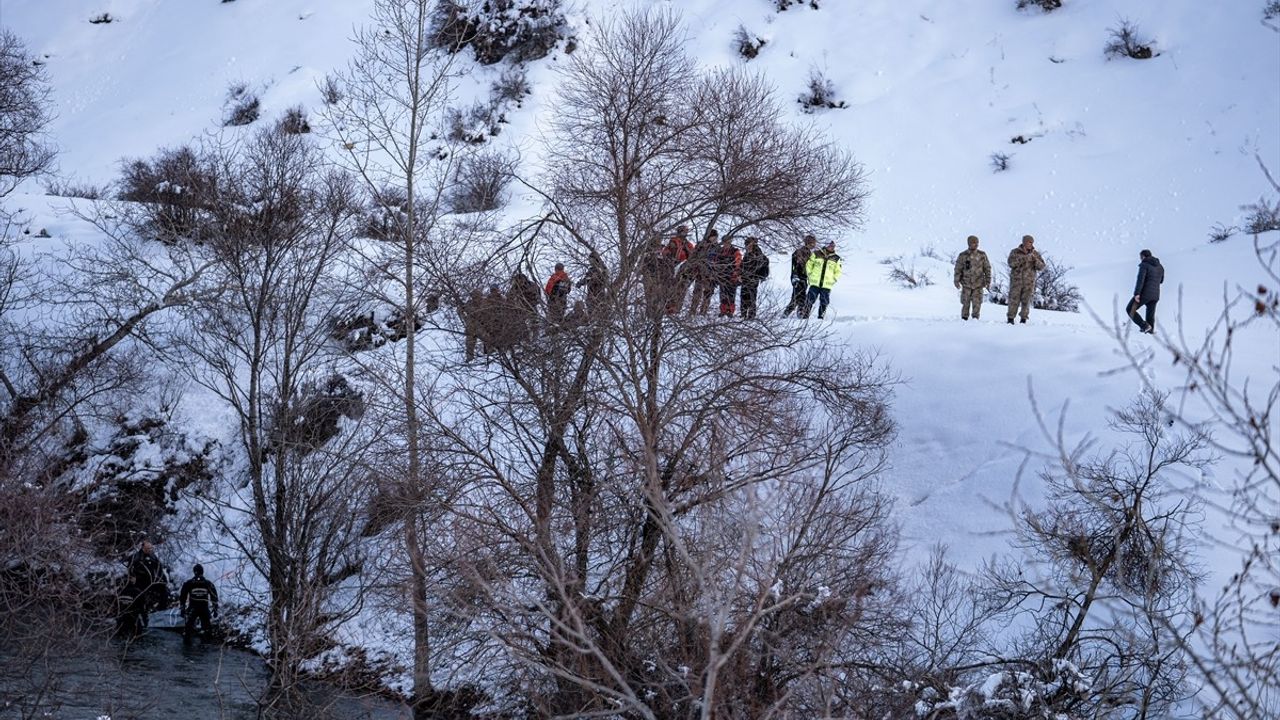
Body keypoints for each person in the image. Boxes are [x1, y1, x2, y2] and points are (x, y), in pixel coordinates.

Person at [1006, 234, 1046, 324]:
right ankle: (1010, 319)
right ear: (1024, 242)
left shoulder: (1035, 254)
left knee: (1026, 301)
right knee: (1013, 300)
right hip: (1016, 282)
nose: (1031, 244)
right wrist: (1023, 259)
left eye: (1032, 242)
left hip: (1029, 283)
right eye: (1029, 242)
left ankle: (1023, 319)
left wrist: (1035, 260)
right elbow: (1011, 263)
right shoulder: (1015, 252)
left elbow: (1042, 266)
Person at [953, 235, 992, 321]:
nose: (976, 244)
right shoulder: (963, 255)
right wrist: (956, 280)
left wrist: (988, 281)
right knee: (965, 303)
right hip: (966, 284)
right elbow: (958, 269)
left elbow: (987, 268)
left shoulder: (982, 255)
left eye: (977, 242)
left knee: (977, 303)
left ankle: (975, 320)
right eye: (974, 242)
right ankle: (964, 319)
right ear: (969, 243)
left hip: (978, 284)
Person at [802, 241, 843, 319]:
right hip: (815, 282)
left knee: (824, 301)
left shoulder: (836, 258)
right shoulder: (816, 254)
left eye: (833, 246)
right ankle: (805, 316)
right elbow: (809, 265)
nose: (832, 247)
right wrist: (810, 274)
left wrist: (834, 279)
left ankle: (821, 317)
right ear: (826, 245)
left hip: (827, 284)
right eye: (830, 246)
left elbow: (838, 271)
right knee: (809, 300)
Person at [179, 564, 219, 643]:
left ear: (194, 572)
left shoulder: (189, 583)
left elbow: (182, 596)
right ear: (203, 572)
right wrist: (215, 609)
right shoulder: (208, 583)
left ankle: (187, 649)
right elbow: (214, 597)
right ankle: (205, 646)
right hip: (204, 609)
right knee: (207, 630)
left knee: (188, 630)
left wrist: (182, 608)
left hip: (193, 609)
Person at [1127, 249, 1163, 334]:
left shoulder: (1144, 265)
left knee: (1130, 309)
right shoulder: (1160, 267)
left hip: (1145, 293)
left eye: (1140, 257)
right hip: (1156, 295)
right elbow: (1161, 280)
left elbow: (1140, 280)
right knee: (1150, 314)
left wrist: (1137, 293)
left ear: (1143, 256)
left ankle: (1144, 325)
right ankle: (1150, 332)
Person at [126, 539, 167, 611]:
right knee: (141, 596)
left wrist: (163, 578)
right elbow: (130, 569)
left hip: (152, 580)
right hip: (141, 581)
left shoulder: (153, 556)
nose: (150, 550)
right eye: (148, 548)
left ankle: (162, 608)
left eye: (151, 548)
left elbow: (159, 567)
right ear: (142, 548)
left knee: (163, 589)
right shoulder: (136, 557)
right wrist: (133, 578)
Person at [782, 235, 817, 317]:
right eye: (814, 243)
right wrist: (795, 277)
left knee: (798, 297)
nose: (815, 244)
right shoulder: (801, 252)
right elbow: (796, 266)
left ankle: (791, 313)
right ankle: (796, 313)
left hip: (803, 278)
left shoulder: (808, 253)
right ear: (810, 243)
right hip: (799, 278)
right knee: (799, 297)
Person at [664, 225, 696, 314]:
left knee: (681, 288)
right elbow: (666, 252)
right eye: (683, 231)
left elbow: (693, 255)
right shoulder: (674, 241)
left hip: (683, 267)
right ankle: (668, 307)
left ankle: (676, 308)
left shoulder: (688, 244)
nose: (685, 233)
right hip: (672, 266)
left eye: (686, 231)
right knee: (670, 287)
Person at [709, 235, 743, 317]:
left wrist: (736, 273)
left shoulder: (735, 251)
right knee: (722, 294)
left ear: (730, 242)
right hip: (721, 276)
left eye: (728, 242)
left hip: (731, 276)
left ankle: (730, 311)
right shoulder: (720, 251)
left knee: (731, 294)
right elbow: (715, 262)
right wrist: (714, 273)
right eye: (725, 242)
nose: (726, 244)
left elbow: (738, 262)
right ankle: (723, 310)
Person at [688, 229, 719, 316]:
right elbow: (693, 256)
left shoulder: (718, 248)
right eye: (713, 237)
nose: (715, 239)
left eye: (716, 237)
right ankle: (692, 311)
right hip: (700, 272)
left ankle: (703, 312)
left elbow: (720, 262)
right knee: (697, 292)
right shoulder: (701, 245)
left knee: (708, 294)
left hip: (711, 274)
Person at [739, 237, 769, 319]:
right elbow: (743, 265)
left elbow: (757, 266)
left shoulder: (758, 254)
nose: (746, 246)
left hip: (753, 278)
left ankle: (751, 315)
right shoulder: (747, 253)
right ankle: (743, 314)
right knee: (744, 296)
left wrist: (756, 276)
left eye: (748, 244)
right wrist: (740, 274)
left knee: (751, 297)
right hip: (745, 278)